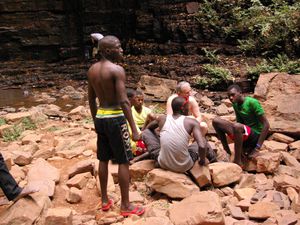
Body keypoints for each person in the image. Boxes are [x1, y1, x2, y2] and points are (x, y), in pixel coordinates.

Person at [87, 35, 144, 216]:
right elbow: (124, 101)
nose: (122, 50)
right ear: (108, 51)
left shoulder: (92, 70)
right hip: (115, 119)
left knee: (103, 159)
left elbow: (91, 99)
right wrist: (134, 128)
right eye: (119, 47)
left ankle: (104, 200)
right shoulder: (117, 70)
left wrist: (96, 120)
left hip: (101, 118)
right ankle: (126, 206)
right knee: (123, 161)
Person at [132, 96, 213, 173]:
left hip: (163, 163)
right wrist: (202, 161)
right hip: (185, 166)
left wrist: (160, 136)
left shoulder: (162, 118)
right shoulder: (191, 122)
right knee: (203, 140)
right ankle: (214, 161)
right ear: (182, 108)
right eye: (188, 106)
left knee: (146, 132)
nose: (189, 109)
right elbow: (201, 146)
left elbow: (148, 129)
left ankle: (159, 157)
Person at [212, 84, 270, 167]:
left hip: (256, 135)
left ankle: (237, 160)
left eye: (233, 95)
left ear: (240, 93)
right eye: (229, 96)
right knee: (216, 121)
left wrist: (257, 148)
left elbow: (266, 125)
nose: (231, 98)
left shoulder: (252, 102)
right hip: (245, 133)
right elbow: (240, 122)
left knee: (237, 126)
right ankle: (227, 151)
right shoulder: (235, 104)